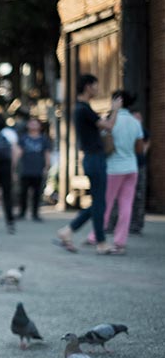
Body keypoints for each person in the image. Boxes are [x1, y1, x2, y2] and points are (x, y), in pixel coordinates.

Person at [56, 74, 121, 254]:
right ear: (87, 87)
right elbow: (108, 126)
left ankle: (68, 231)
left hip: (93, 158)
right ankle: (100, 242)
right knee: (100, 203)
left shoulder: (82, 108)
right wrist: (115, 109)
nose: (97, 89)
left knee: (99, 202)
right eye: (95, 86)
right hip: (95, 158)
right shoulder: (83, 109)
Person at [86, 91, 143, 252]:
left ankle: (95, 236)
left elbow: (102, 142)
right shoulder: (135, 122)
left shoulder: (111, 121)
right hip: (131, 168)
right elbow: (139, 148)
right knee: (126, 205)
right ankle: (120, 241)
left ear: (116, 101)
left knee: (106, 203)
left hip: (113, 168)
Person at [16, 118, 52, 222]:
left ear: (39, 126)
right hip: (25, 169)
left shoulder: (43, 139)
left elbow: (47, 154)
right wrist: (14, 167)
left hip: (38, 170)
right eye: (31, 123)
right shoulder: (23, 138)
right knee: (23, 192)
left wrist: (47, 167)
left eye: (35, 124)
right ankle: (22, 212)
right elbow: (19, 152)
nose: (33, 126)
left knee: (37, 193)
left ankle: (35, 213)